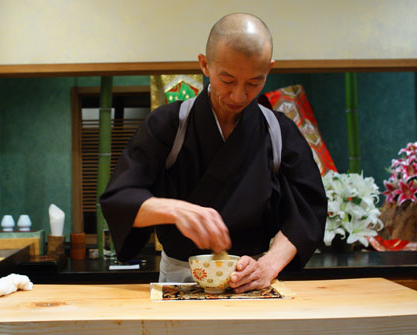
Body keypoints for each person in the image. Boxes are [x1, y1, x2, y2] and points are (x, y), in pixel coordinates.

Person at [100, 13, 327, 293]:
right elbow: (119, 200)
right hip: (181, 279)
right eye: (228, 80)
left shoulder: (279, 132)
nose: (239, 96)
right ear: (204, 65)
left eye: (254, 82)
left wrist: (268, 266)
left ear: (269, 69)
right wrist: (174, 209)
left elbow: (308, 212)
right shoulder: (169, 125)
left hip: (252, 281)